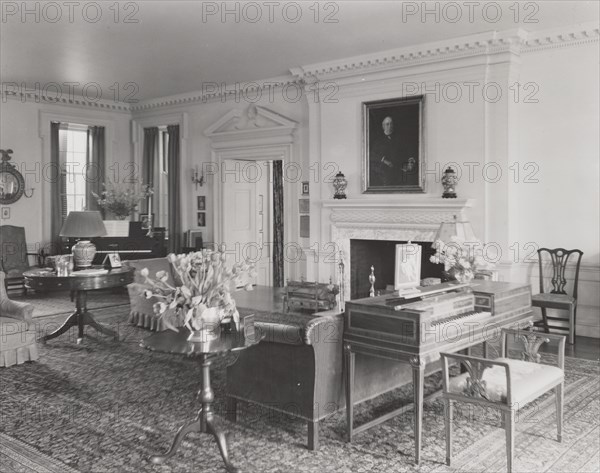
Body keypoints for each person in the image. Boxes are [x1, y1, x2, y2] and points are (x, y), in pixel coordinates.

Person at [369, 116, 418, 187]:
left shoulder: (400, 137)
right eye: (387, 124)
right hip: (385, 171)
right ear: (383, 126)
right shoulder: (378, 140)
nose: (390, 126)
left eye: (391, 124)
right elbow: (372, 155)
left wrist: (410, 161)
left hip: (401, 168)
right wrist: (384, 160)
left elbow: (408, 150)